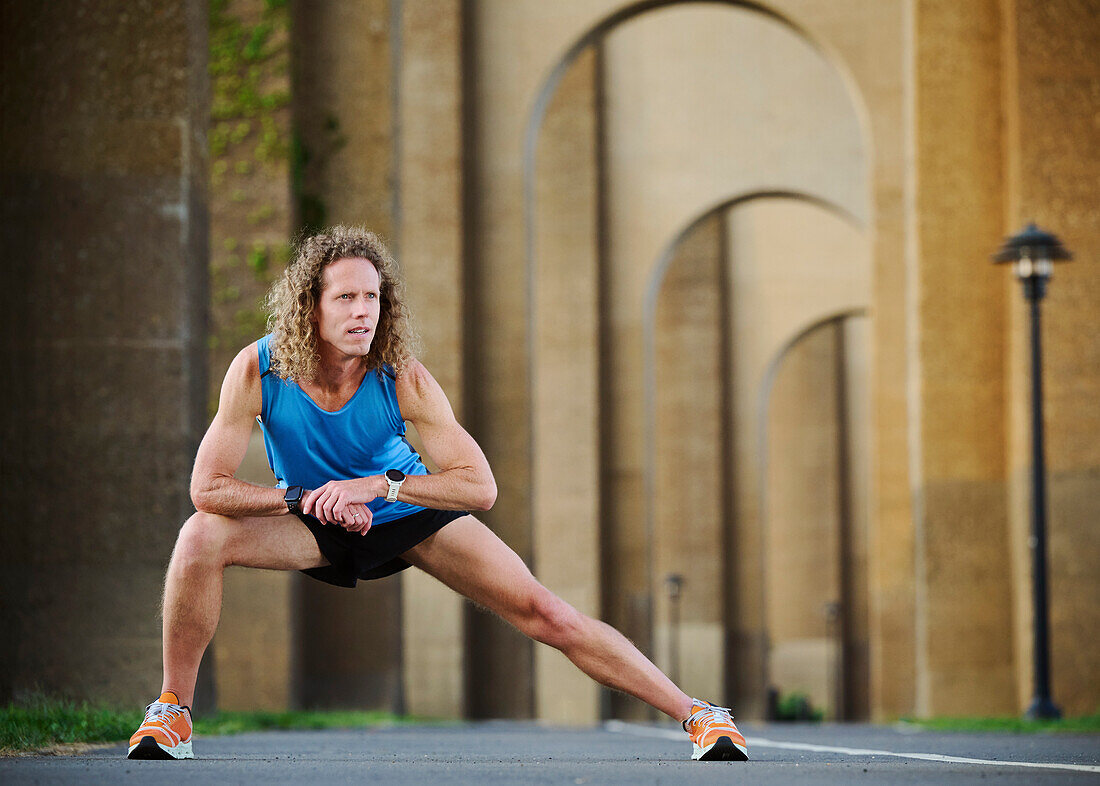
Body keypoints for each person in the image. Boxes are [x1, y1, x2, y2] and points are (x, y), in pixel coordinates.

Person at [127, 226, 748, 763]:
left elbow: (480, 486)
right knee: (199, 535)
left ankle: (699, 716)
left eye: (371, 297)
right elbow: (207, 488)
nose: (361, 312)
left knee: (546, 612)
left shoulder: (403, 378)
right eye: (345, 297)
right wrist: (298, 499)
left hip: (403, 511)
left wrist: (380, 485)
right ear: (310, 309)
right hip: (312, 517)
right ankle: (173, 711)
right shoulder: (257, 370)